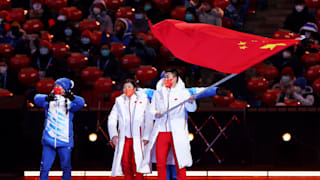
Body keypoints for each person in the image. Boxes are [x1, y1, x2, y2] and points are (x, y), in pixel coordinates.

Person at [140, 68, 197, 180]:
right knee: (160, 163)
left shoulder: (183, 93)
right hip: (161, 131)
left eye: (168, 77)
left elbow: (192, 109)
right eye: (165, 77)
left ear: (175, 78)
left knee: (180, 161)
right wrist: (156, 114)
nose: (166, 79)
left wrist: (191, 101)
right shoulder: (158, 93)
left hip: (177, 132)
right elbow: (151, 110)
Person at [34, 78, 85, 180]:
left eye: (59, 86)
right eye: (55, 86)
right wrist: (47, 98)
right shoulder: (49, 101)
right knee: (44, 167)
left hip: (64, 140)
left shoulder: (70, 104)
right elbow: (36, 98)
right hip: (49, 140)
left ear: (65, 88)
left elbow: (81, 103)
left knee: (66, 167)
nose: (56, 88)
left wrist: (70, 96)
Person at [108, 79, 153, 180]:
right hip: (125, 137)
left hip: (139, 137)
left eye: (129, 87)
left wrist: (147, 135)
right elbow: (112, 118)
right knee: (125, 163)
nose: (126, 89)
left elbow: (149, 119)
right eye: (124, 87)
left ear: (134, 88)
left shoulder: (143, 100)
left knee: (138, 163)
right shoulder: (119, 101)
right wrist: (114, 135)